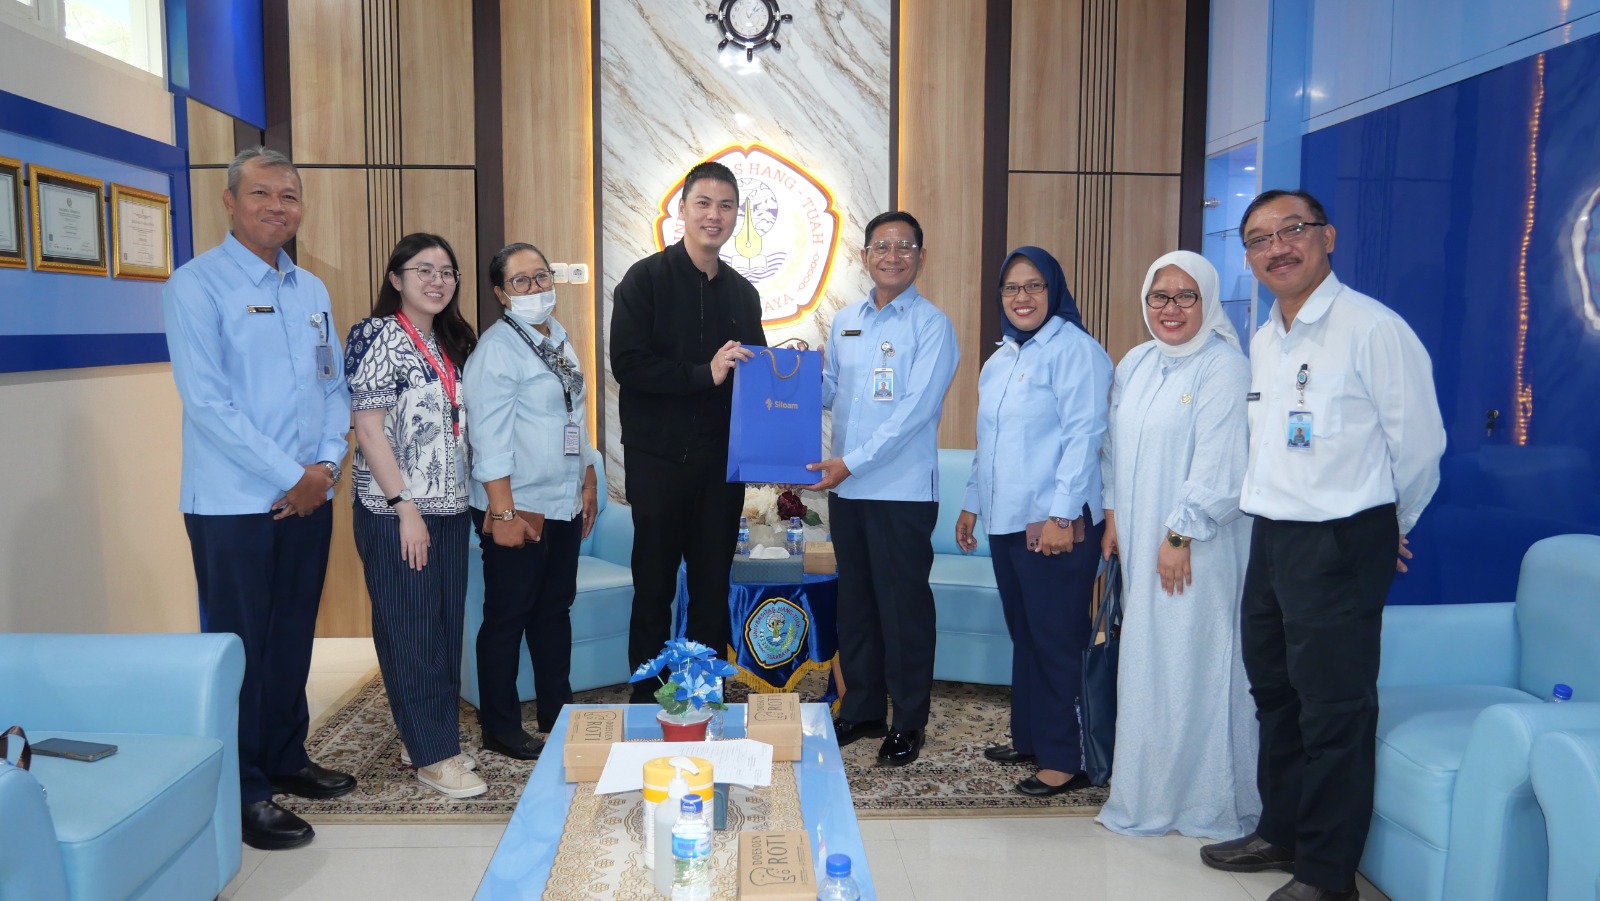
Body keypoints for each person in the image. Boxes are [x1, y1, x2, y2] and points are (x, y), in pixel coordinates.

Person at [1200, 190, 1445, 901]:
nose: (1276, 248)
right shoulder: (1265, 338)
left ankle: (1327, 875)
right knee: (1275, 694)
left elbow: (1420, 446)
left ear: (1327, 237)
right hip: (1272, 537)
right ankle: (1282, 830)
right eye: (1259, 239)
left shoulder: (1373, 328)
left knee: (1335, 710)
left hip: (1340, 539)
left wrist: (1389, 526)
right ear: (1249, 257)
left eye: (1292, 230)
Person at [161, 147, 356, 850]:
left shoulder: (311, 290)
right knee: (240, 646)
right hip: (233, 503)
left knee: (292, 633)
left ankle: (285, 755)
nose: (277, 207)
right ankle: (244, 789)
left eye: (289, 196)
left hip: (309, 493)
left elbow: (334, 385)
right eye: (262, 194)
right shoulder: (195, 286)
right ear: (230, 201)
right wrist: (291, 475)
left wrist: (325, 466)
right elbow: (208, 404)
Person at [1095, 250, 1259, 837]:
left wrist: (1181, 532)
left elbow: (1222, 463)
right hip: (1143, 540)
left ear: (1207, 302)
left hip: (1196, 548)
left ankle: (1203, 801)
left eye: (1186, 296)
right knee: (1149, 667)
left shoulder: (1224, 367)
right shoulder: (1137, 362)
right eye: (1159, 296)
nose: (1171, 308)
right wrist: (1113, 516)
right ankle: (1146, 795)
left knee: (1193, 665)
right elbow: (1112, 448)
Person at [954, 246, 1110, 793]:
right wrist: (972, 502)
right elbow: (989, 442)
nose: (1022, 297)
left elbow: (1085, 436)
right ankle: (1032, 737)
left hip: (1055, 525)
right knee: (1026, 635)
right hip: (1007, 522)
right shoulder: (1000, 359)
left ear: (1054, 290)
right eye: (1011, 288)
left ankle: (1068, 757)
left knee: (1055, 639)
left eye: (1034, 286)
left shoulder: (1076, 351)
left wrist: (1060, 516)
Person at [610, 160, 767, 701]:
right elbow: (629, 364)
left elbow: (754, 379)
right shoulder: (644, 280)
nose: (713, 215)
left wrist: (789, 376)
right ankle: (647, 700)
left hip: (720, 465)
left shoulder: (743, 293)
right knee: (653, 587)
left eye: (726, 205)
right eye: (703, 203)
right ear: (682, 209)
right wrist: (705, 373)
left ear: (736, 215)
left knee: (711, 588)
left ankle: (702, 697)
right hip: (657, 461)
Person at [810, 211, 959, 767]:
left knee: (903, 611)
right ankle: (864, 708)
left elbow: (915, 413)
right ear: (865, 255)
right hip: (848, 492)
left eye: (904, 246)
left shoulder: (931, 326)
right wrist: (792, 375)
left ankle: (909, 720)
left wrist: (850, 463)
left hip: (900, 491)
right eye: (881, 246)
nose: (892, 255)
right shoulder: (846, 320)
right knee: (857, 606)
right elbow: (831, 391)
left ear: (921, 256)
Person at [344, 233, 483, 799]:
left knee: (444, 629)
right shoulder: (376, 335)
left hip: (449, 506)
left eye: (447, 271)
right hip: (396, 510)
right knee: (411, 630)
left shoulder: (450, 342)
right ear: (396, 278)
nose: (437, 280)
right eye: (423, 269)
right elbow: (368, 429)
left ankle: (427, 737)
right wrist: (404, 507)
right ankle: (433, 757)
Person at [463, 242, 600, 757]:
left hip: (562, 499)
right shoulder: (497, 349)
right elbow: (488, 438)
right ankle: (500, 727)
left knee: (553, 611)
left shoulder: (558, 337)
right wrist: (502, 513)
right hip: (518, 505)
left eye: (541, 276)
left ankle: (556, 712)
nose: (535, 287)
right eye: (520, 281)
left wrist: (588, 475)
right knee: (508, 616)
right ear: (501, 293)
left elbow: (574, 414)